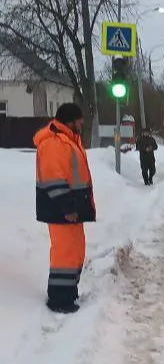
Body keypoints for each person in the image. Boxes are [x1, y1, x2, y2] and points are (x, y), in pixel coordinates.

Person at [33, 103, 96, 314]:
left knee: (74, 252)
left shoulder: (68, 140)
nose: (82, 123)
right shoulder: (54, 143)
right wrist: (68, 207)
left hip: (71, 209)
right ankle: (59, 299)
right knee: (65, 255)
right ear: (70, 121)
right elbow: (54, 180)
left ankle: (68, 293)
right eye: (79, 119)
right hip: (62, 211)